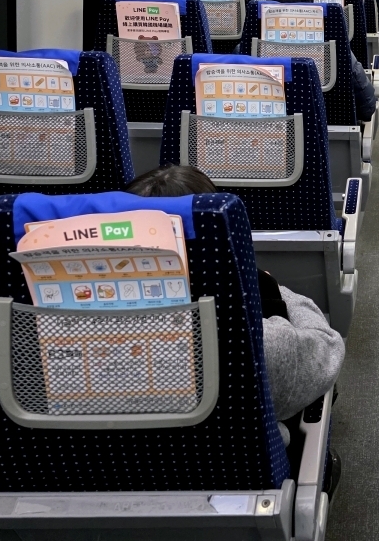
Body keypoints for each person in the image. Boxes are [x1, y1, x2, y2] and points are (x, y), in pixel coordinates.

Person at [127, 165, 345, 491]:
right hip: (239, 489)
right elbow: (326, 346)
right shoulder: (252, 344)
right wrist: (263, 286)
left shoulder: (52, 344)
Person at [264, 0, 377, 122]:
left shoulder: (247, 49)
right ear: (311, 3)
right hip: (334, 124)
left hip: (269, 131)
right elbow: (368, 105)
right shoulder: (336, 46)